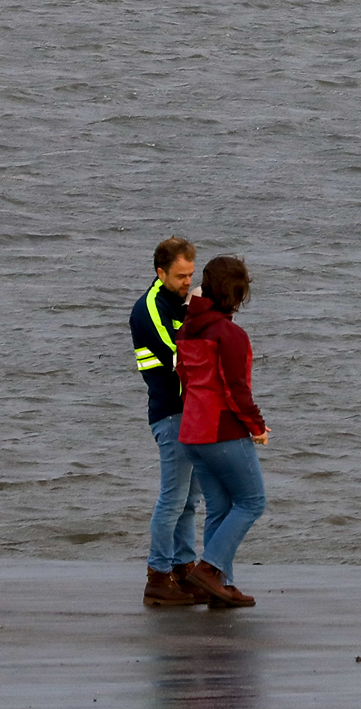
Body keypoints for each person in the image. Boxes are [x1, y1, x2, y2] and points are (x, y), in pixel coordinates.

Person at [178, 256, 270, 608]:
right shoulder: (229, 334)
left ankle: (222, 586)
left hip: (192, 431)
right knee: (252, 502)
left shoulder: (188, 327)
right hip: (221, 431)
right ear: (236, 293)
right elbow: (236, 390)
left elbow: (184, 377)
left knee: (219, 507)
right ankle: (210, 568)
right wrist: (257, 427)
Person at [130, 235, 208, 607]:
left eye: (190, 275)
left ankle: (182, 568)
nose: (186, 283)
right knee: (173, 500)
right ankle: (158, 576)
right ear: (160, 273)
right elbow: (181, 355)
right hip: (171, 414)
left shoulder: (180, 301)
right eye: (180, 276)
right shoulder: (148, 310)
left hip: (191, 413)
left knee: (190, 500)